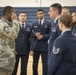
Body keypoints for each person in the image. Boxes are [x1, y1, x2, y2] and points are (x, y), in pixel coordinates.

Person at [0, 6, 20, 75]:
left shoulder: (6, 24)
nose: (15, 15)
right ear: (8, 13)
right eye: (13, 13)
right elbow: (14, 35)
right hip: (3, 61)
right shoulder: (3, 24)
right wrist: (15, 21)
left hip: (6, 60)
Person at [31, 9, 51, 75]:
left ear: (43, 14)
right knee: (34, 64)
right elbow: (32, 35)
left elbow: (50, 35)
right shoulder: (34, 23)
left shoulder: (48, 23)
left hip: (45, 47)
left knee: (45, 64)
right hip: (36, 47)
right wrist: (35, 34)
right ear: (37, 15)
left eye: (41, 13)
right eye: (38, 14)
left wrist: (43, 37)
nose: (40, 15)